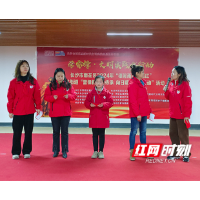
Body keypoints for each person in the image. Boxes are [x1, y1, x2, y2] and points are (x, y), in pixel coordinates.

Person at [7, 60, 41, 159]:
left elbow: (37, 96)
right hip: (17, 112)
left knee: (28, 132)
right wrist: (10, 110)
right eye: (23, 66)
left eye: (27, 66)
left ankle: (27, 151)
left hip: (29, 111)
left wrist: (38, 107)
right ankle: (16, 152)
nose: (25, 67)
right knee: (17, 133)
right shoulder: (13, 82)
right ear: (19, 68)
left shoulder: (33, 81)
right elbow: (10, 97)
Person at [44, 68, 76, 158]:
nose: (60, 77)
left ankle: (64, 150)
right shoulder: (50, 86)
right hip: (55, 113)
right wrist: (52, 98)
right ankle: (56, 150)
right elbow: (46, 97)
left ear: (64, 76)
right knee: (56, 132)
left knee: (65, 132)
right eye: (58, 76)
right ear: (55, 76)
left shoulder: (68, 85)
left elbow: (74, 95)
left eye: (62, 76)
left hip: (66, 113)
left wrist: (68, 96)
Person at [163, 66, 192, 162]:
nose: (171, 74)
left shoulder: (185, 85)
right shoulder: (171, 84)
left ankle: (185, 154)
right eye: (171, 72)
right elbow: (168, 97)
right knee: (173, 134)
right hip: (173, 114)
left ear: (179, 74)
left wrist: (187, 115)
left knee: (182, 135)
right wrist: (166, 90)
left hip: (182, 115)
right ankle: (175, 154)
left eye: (173, 72)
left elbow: (188, 101)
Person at [84, 75, 113, 159]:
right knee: (94, 134)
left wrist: (103, 105)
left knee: (102, 134)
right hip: (94, 117)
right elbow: (86, 103)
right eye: (97, 81)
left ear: (103, 83)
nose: (99, 83)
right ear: (94, 83)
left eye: (101, 81)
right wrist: (90, 104)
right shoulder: (91, 93)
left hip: (103, 117)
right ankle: (95, 151)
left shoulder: (107, 93)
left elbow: (111, 103)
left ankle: (101, 151)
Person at [128, 65, 152, 161]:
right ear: (137, 73)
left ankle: (144, 152)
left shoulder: (142, 82)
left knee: (143, 132)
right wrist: (137, 113)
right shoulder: (132, 84)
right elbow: (133, 100)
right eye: (142, 72)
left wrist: (149, 110)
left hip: (144, 112)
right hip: (136, 113)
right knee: (134, 131)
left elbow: (145, 99)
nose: (143, 73)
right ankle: (132, 152)